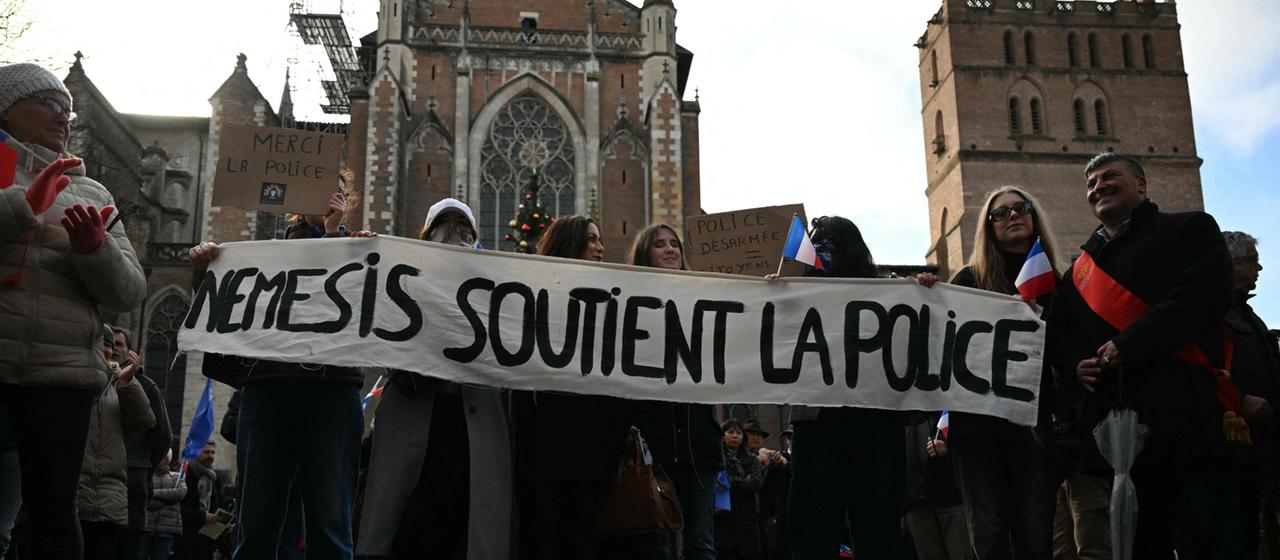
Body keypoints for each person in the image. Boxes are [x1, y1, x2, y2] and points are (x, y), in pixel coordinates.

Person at [1051, 153, 1239, 558]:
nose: (1098, 186)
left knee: (1195, 536)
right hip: (1110, 432)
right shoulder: (1078, 274)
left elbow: (1202, 293)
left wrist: (1130, 342)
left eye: (1109, 176)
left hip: (1180, 417)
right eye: (1091, 183)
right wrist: (1074, 367)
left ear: (1142, 184)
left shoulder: (1188, 229)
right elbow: (1060, 338)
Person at [0, 62, 147, 560]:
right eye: (49, 104)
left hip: (60, 376)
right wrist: (23, 204)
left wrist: (94, 250)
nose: (64, 118)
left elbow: (129, 293)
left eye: (69, 109)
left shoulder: (93, 191)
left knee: (54, 515)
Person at [190, 169, 374, 559]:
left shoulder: (359, 250)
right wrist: (206, 271)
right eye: (320, 189)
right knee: (255, 528)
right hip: (267, 391)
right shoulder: (260, 256)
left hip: (332, 393)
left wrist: (338, 240)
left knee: (330, 529)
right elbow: (225, 308)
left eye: (339, 191)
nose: (330, 197)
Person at [357, 198, 513, 560]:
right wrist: (360, 253)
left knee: (466, 522)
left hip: (472, 420)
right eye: (444, 227)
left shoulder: (495, 285)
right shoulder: (403, 277)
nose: (452, 235)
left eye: (462, 228)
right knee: (408, 522)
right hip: (417, 416)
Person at [917, 187, 1060, 559]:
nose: (1013, 216)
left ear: (1034, 216)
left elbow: (1067, 347)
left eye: (1021, 208)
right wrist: (929, 296)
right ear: (988, 226)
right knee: (989, 533)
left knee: (1035, 534)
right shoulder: (968, 281)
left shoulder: (1055, 284)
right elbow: (941, 343)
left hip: (1032, 428)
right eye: (1000, 213)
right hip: (978, 432)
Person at [779, 216, 905, 560]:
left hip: (875, 428)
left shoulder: (890, 293)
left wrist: (926, 292)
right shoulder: (794, 292)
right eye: (815, 243)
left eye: (830, 244)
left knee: (878, 532)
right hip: (817, 428)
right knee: (813, 533)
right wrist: (768, 297)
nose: (820, 251)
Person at [514, 215, 637, 559]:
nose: (601, 248)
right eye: (592, 240)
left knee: (584, 534)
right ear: (570, 244)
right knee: (546, 532)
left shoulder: (612, 296)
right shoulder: (536, 292)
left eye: (600, 239)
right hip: (546, 438)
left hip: (595, 440)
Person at [627, 223, 725, 560]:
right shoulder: (628, 303)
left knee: (701, 544)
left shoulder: (704, 297)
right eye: (659, 245)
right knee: (657, 545)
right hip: (654, 445)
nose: (671, 250)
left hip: (698, 445)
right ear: (644, 255)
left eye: (675, 244)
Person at [1222, 231, 1280, 559]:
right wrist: (1240, 399)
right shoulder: (1210, 313)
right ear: (1227, 264)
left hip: (1264, 451)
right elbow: (1201, 369)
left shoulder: (1249, 315)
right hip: (1233, 455)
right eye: (1251, 262)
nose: (1259, 269)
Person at [79, 326, 158, 559]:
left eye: (111, 345)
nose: (107, 349)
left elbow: (145, 420)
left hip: (107, 499)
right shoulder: (75, 378)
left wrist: (127, 381)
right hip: (74, 493)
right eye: (101, 342)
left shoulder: (121, 385)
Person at [114, 327, 173, 560]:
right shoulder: (92, 380)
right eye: (109, 342)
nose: (114, 348)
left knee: (128, 545)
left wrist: (142, 465)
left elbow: (163, 435)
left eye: (120, 343)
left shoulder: (146, 386)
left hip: (132, 476)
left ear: (130, 352)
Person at [903, 412, 968, 560]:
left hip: (953, 499)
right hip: (915, 501)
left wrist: (949, 449)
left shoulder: (950, 408)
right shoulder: (903, 409)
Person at [716, 419, 764, 560]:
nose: (735, 436)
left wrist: (731, 481)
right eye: (730, 432)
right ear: (723, 435)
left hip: (747, 519)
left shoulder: (752, 460)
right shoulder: (718, 460)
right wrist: (743, 481)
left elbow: (755, 483)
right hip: (724, 518)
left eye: (738, 432)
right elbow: (720, 486)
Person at [175, 441, 222, 560]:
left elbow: (218, 503)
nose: (210, 455)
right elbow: (177, 506)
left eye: (212, 452)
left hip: (207, 536)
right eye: (206, 452)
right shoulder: (184, 474)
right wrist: (202, 516)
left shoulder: (214, 477)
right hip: (186, 535)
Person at [143, 451, 187, 560]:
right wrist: (168, 500)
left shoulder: (177, 477)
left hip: (167, 529)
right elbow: (143, 497)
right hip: (146, 528)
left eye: (163, 457)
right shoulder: (146, 477)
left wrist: (153, 493)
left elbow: (180, 493)